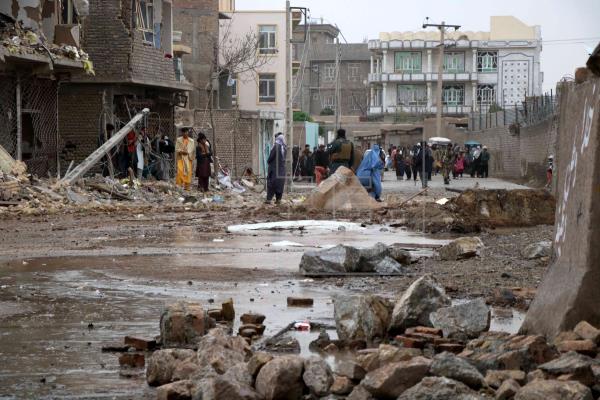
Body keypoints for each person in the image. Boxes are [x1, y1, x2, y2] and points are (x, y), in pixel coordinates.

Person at [266, 133, 287, 204]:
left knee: (272, 184)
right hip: (282, 170)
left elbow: (271, 157)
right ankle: (278, 200)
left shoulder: (276, 146)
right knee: (280, 186)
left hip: (274, 170)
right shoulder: (284, 147)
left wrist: (268, 161)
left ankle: (269, 199)